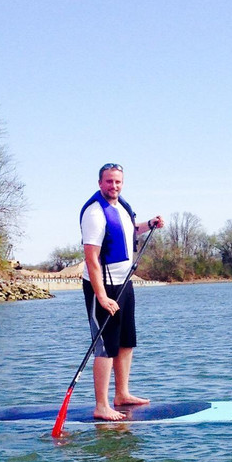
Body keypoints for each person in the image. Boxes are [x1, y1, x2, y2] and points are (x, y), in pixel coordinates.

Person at [80, 163, 164, 420]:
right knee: (105, 346)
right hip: (102, 287)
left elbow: (129, 232)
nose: (113, 186)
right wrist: (102, 297)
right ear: (100, 183)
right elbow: (92, 259)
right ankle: (102, 405)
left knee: (127, 341)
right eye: (108, 182)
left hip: (125, 283)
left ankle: (122, 394)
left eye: (117, 182)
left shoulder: (123, 207)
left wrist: (148, 224)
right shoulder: (95, 213)